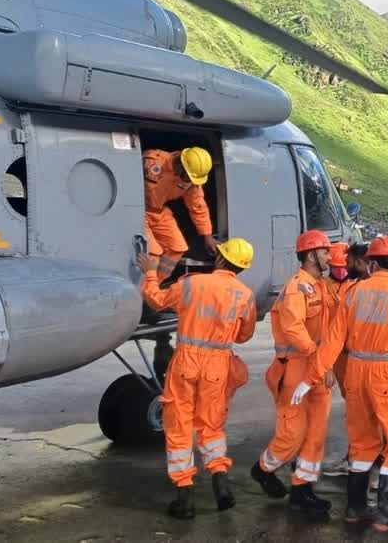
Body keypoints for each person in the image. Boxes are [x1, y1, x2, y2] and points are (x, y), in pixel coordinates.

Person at [306, 236, 388, 533]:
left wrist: (314, 374)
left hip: (356, 372)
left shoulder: (353, 293)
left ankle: (356, 507)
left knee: (362, 442)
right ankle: (387, 512)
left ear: (372, 263)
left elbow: (334, 339)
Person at [137, 238, 257, 519]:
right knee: (211, 426)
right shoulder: (245, 295)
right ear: (242, 268)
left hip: (187, 362)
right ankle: (220, 480)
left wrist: (151, 271)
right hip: (218, 366)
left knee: (179, 426)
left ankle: (185, 496)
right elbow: (244, 335)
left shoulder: (192, 284)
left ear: (220, 259)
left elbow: (156, 300)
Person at [248, 230, 336, 517]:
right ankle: (263, 469)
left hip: (317, 368)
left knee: (316, 434)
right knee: (292, 435)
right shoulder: (297, 288)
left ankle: (302, 490)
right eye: (324, 251)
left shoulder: (323, 286)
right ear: (311, 256)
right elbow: (293, 328)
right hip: (295, 368)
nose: (329, 256)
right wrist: (318, 358)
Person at [321, 242, 370, 478]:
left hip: (357, 355)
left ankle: (366, 460)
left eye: (345, 265)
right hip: (338, 355)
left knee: (365, 410)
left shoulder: (359, 286)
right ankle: (358, 457)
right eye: (338, 266)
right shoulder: (321, 286)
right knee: (354, 409)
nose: (342, 270)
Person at [142, 147, 219, 277]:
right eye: (187, 176)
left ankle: (156, 284)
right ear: (180, 164)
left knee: (177, 248)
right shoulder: (152, 161)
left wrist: (207, 236)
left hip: (159, 212)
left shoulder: (192, 180)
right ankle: (148, 285)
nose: (188, 180)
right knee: (153, 252)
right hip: (138, 210)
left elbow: (198, 206)